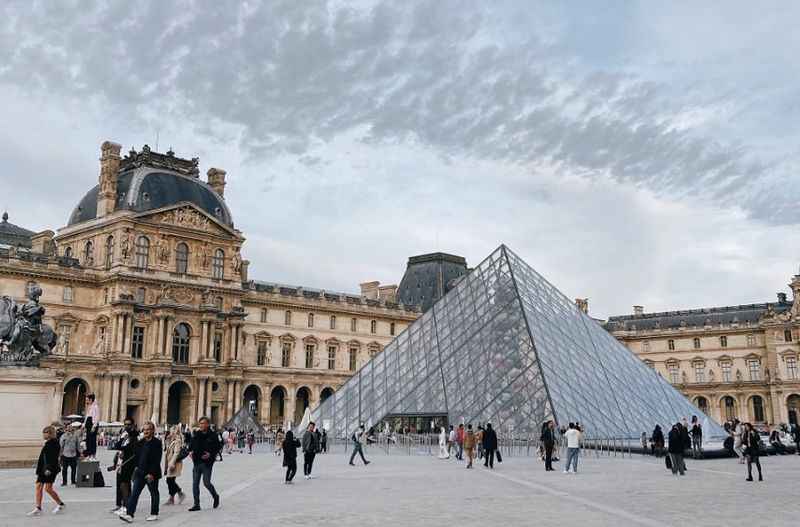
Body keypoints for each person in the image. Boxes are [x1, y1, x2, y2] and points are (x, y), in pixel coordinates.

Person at [119, 421, 162, 523]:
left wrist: (151, 473)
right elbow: (136, 457)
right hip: (140, 472)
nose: (146, 431)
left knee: (154, 493)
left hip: (151, 473)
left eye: (148, 429)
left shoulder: (157, 443)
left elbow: (157, 459)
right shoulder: (140, 442)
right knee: (134, 494)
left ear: (153, 431)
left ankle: (154, 513)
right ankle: (130, 514)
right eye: (144, 430)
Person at [27, 426, 66, 516]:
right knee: (39, 486)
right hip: (44, 469)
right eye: (43, 432)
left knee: (48, 488)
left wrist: (48, 469)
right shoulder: (49, 443)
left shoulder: (54, 443)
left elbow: (53, 458)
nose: (43, 434)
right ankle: (38, 507)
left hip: (49, 469)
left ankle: (60, 504)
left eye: (45, 432)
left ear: (50, 433)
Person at [188, 416, 221, 512]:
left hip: (207, 463)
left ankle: (215, 496)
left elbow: (218, 447)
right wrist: (190, 451)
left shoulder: (213, 435)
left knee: (206, 483)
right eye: (200, 423)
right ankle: (196, 504)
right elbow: (190, 445)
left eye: (203, 423)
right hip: (197, 462)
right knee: (195, 484)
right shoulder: (196, 434)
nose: (201, 425)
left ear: (208, 424)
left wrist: (210, 454)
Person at [110, 418, 139, 516]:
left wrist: (123, 449)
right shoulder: (125, 435)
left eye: (129, 424)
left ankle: (126, 506)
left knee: (125, 484)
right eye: (125, 424)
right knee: (121, 484)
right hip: (121, 463)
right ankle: (122, 505)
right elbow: (117, 446)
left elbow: (132, 449)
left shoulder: (134, 435)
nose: (126, 426)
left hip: (128, 463)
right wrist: (122, 439)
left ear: (133, 425)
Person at [163, 425, 186, 506]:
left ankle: (176, 496)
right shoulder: (171, 439)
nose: (171, 432)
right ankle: (176, 496)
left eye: (172, 431)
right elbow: (166, 449)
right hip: (170, 462)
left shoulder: (178, 440)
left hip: (174, 463)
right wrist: (167, 439)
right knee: (170, 480)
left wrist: (172, 463)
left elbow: (176, 453)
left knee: (170, 480)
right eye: (171, 430)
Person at [84, 393, 100, 461]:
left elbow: (96, 417)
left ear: (91, 400)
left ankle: (93, 455)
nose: (86, 401)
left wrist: (94, 426)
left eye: (87, 400)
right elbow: (87, 416)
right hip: (88, 424)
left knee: (92, 440)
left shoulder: (96, 407)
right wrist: (83, 424)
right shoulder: (90, 406)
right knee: (88, 440)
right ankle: (88, 454)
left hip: (92, 424)